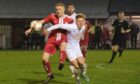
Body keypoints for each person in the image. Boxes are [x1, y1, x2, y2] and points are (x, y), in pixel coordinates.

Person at [25, 3, 73, 83]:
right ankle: (50, 75)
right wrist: (30, 29)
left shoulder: (69, 19)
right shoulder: (51, 16)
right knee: (44, 59)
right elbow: (40, 22)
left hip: (62, 37)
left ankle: (61, 61)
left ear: (64, 9)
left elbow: (74, 29)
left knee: (63, 46)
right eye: (56, 9)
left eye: (60, 9)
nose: (58, 11)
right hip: (52, 38)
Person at [45, 13, 90, 84]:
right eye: (79, 21)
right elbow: (59, 25)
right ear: (76, 21)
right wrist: (48, 29)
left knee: (82, 63)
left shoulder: (84, 26)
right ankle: (77, 79)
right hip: (69, 48)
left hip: (77, 47)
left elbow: (82, 34)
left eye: (82, 21)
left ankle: (83, 74)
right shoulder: (71, 26)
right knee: (76, 66)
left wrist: (83, 43)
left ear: (84, 21)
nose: (81, 22)